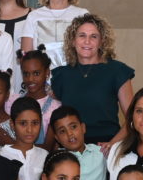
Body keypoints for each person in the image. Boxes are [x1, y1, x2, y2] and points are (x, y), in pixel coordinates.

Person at [51, 13, 135, 146]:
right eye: (82, 35)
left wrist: (112, 144)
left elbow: (133, 118)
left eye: (93, 36)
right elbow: (55, 121)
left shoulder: (117, 71)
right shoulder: (60, 75)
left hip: (106, 146)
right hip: (71, 148)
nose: (87, 41)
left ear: (102, 42)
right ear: (73, 41)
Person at [20, 0, 88, 68]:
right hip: (44, 81)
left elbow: (89, 52)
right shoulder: (34, 16)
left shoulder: (83, 15)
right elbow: (26, 58)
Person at [50, 106, 108, 180]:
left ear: (83, 128)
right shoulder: (57, 161)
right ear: (57, 138)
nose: (70, 134)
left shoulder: (100, 152)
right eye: (62, 131)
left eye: (73, 127)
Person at [0, 98, 48, 180]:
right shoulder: (0, 155)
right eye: (23, 123)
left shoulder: (45, 156)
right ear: (12, 124)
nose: (29, 129)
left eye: (35, 123)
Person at [18, 48, 61, 146]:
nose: (30, 79)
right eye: (26, 74)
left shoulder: (56, 107)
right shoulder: (12, 102)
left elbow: (49, 147)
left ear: (47, 73)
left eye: (36, 73)